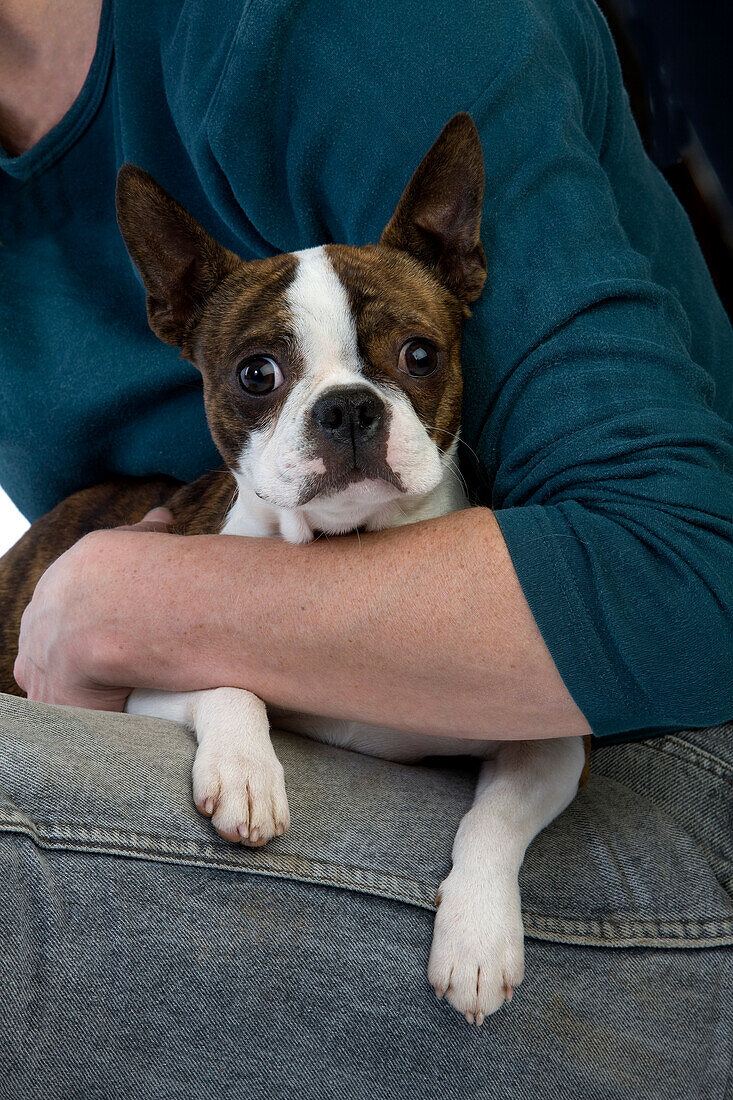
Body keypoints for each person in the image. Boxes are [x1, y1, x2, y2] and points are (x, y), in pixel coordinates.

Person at [0, 1, 731, 1097]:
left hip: (645, 747)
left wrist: (131, 603)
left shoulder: (348, 27)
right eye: (262, 377)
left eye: (411, 357)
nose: (336, 410)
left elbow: (684, 579)